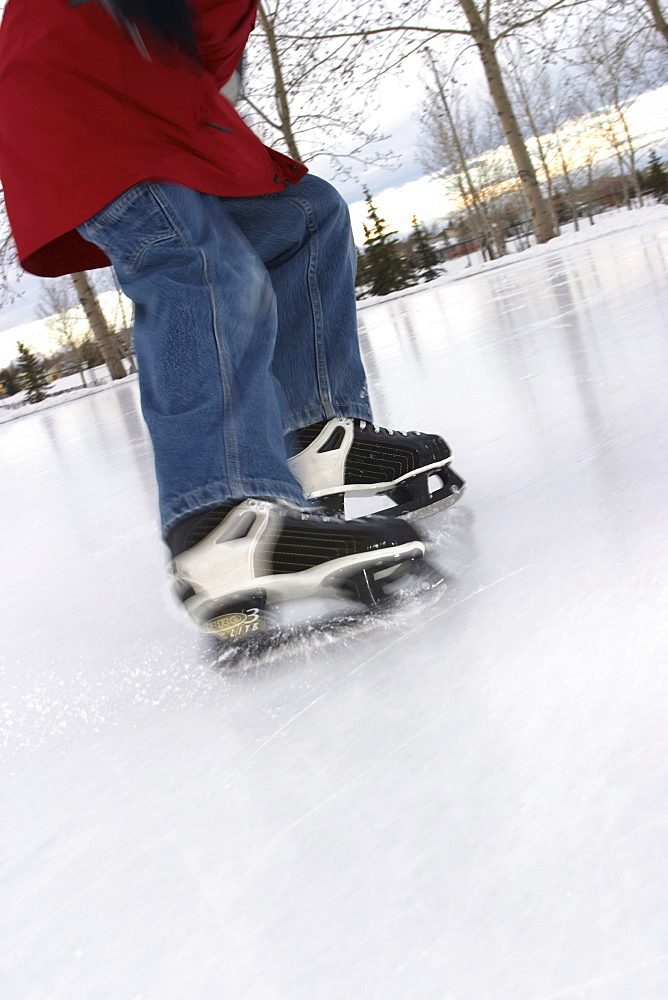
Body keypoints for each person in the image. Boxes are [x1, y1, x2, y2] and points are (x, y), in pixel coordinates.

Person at [0, 0, 464, 638]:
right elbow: (214, 35)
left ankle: (313, 439)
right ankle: (219, 521)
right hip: (82, 95)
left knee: (303, 217)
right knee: (195, 262)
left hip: (139, 90)